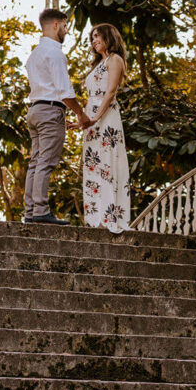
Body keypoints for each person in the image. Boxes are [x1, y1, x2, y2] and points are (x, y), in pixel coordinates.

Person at [22, 8, 91, 226]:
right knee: (45, 163)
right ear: (55, 25)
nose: (66, 30)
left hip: (34, 110)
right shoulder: (55, 53)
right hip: (50, 110)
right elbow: (65, 92)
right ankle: (41, 211)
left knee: (35, 162)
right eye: (64, 25)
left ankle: (31, 211)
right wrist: (81, 113)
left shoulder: (34, 54)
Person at [76, 23, 131, 233]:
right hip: (92, 120)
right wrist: (83, 120)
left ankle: (109, 217)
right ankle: (95, 218)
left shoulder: (115, 59)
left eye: (97, 36)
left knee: (107, 164)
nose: (94, 41)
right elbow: (92, 97)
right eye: (92, 38)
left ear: (109, 37)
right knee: (93, 165)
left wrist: (96, 118)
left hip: (106, 119)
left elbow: (110, 93)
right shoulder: (98, 64)